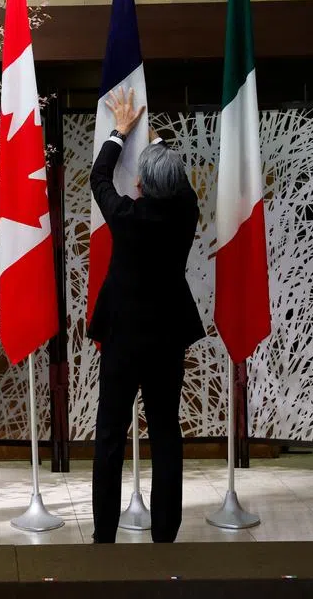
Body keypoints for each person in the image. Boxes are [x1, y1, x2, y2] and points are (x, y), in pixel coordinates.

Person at [88, 87, 205, 544]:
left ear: (139, 185)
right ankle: (165, 535)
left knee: (110, 434)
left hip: (121, 340)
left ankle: (104, 535)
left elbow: (99, 177)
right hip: (167, 340)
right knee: (166, 434)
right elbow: (183, 188)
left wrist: (121, 134)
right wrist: (154, 142)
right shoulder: (185, 215)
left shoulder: (125, 215)